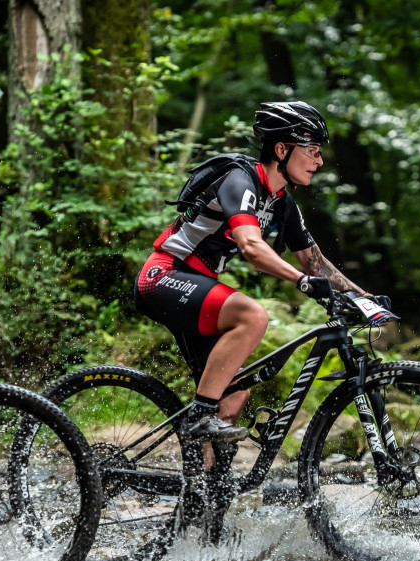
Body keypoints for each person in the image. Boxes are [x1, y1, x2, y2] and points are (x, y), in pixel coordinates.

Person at [134, 101, 377, 471]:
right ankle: (200, 415)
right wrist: (301, 281)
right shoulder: (240, 180)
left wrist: (363, 298)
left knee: (234, 394)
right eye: (312, 151)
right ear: (282, 149)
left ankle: (205, 497)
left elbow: (315, 261)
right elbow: (250, 246)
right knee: (251, 315)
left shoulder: (281, 202)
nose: (319, 161)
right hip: (164, 276)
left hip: (196, 283)